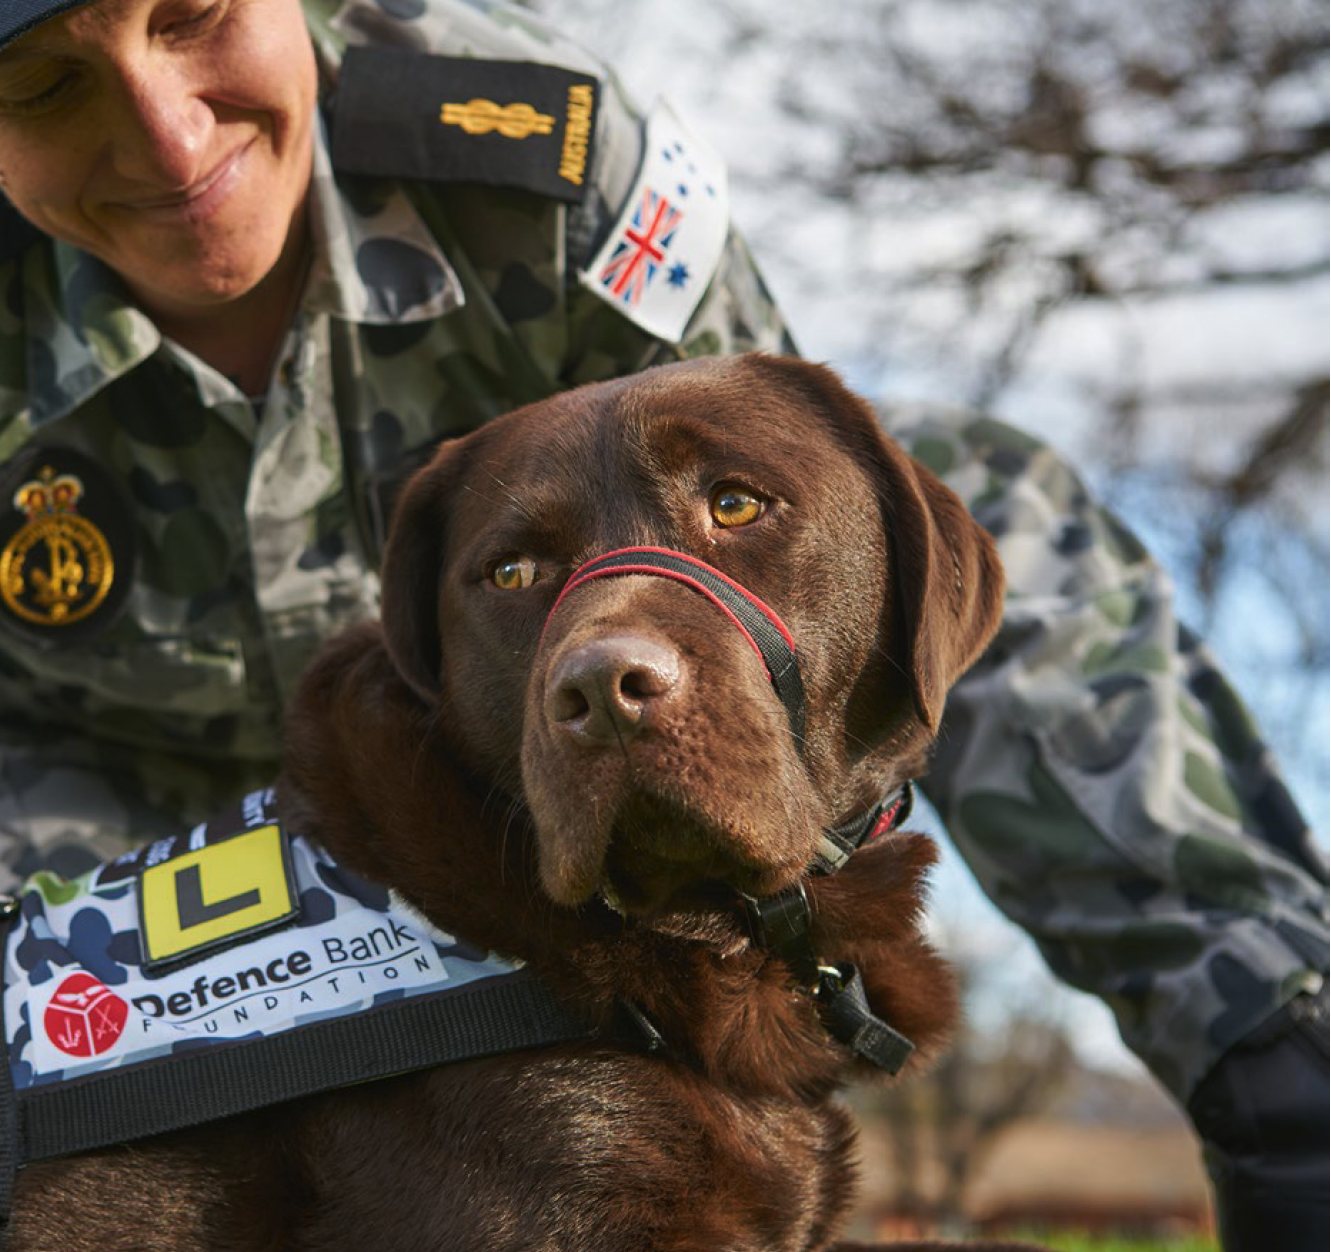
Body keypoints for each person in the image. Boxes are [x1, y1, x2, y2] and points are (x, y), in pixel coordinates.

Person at [0, 1, 1324, 1247]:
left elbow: (791, 545)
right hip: (105, 836)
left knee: (965, 493)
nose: (168, 133)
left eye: (190, 15)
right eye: (49, 80)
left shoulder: (539, 157)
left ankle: (1287, 1075)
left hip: (541, 772)